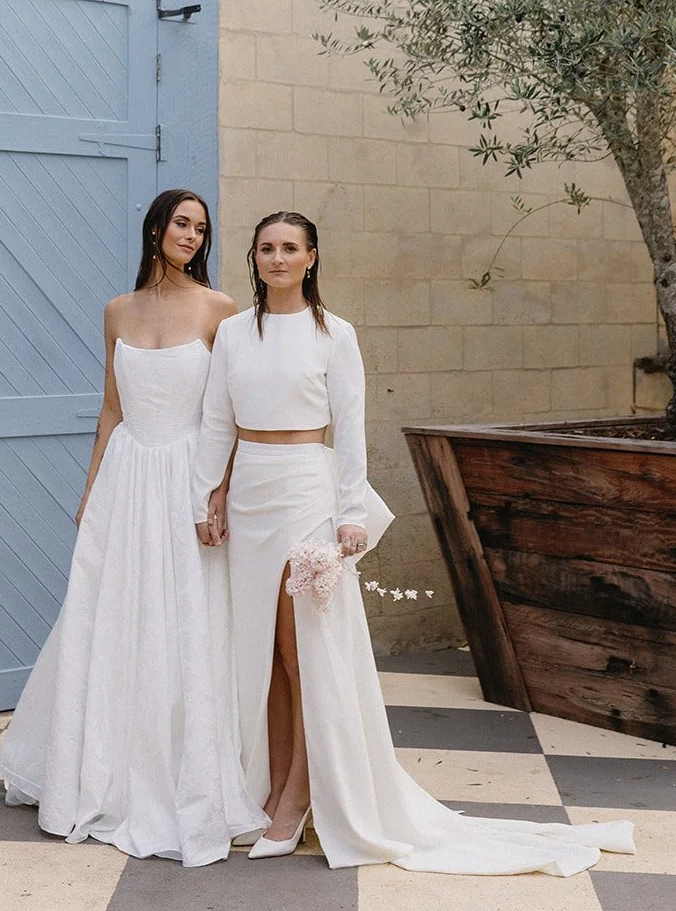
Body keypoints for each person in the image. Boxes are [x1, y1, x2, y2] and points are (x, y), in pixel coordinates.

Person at [193, 210, 635, 876]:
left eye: (289, 248)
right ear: (253, 258)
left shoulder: (332, 334)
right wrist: (208, 492)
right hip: (250, 494)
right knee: (259, 655)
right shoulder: (232, 334)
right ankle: (272, 784)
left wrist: (348, 514)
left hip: (305, 493)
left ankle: (300, 796)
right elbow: (214, 421)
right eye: (266, 248)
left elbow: (350, 429)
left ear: (311, 257)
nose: (276, 259)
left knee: (301, 653)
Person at [0, 189, 267, 866]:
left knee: (184, 616)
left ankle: (185, 772)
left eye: (201, 229)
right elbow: (110, 409)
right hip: (126, 474)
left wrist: (218, 491)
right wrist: (90, 492)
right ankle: (100, 769)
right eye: (181, 223)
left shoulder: (219, 308)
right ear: (154, 229)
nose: (191, 236)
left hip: (187, 474)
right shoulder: (116, 310)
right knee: (111, 613)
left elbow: (228, 414)